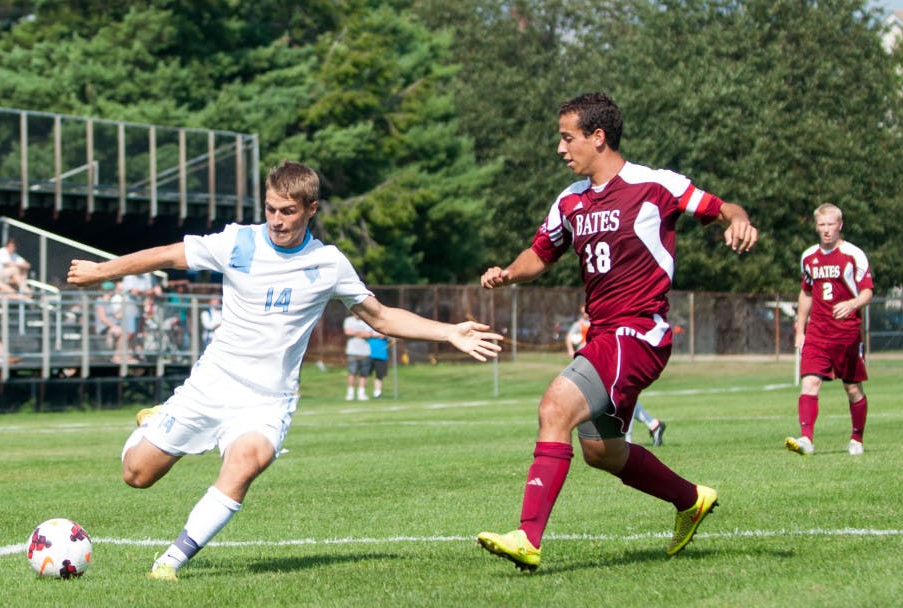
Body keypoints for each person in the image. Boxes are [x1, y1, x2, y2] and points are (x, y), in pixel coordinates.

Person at [66, 159, 502, 581]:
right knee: (137, 475)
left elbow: (381, 317)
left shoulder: (328, 263)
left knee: (248, 460)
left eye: (288, 211)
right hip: (212, 384)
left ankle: (170, 561)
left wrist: (449, 333)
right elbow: (167, 255)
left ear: (311, 210)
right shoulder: (237, 242)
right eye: (271, 208)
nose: (276, 219)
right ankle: (157, 422)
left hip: (267, 400)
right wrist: (102, 271)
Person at [476, 93, 757, 572]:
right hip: (603, 335)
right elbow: (541, 255)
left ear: (597, 137)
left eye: (568, 138)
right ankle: (690, 499)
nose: (561, 149)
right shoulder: (569, 201)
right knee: (601, 451)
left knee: (553, 407)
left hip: (639, 331)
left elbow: (722, 207)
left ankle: (527, 536)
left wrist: (740, 220)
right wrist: (508, 272)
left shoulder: (655, 185)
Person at [785, 203, 873, 457]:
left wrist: (853, 303)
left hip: (846, 333)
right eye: (821, 225)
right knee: (810, 382)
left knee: (853, 389)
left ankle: (856, 438)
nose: (826, 230)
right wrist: (801, 329)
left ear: (840, 225)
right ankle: (806, 440)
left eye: (830, 224)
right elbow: (806, 293)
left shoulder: (853, 254)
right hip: (818, 332)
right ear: (816, 226)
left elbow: (868, 291)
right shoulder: (808, 257)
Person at [343, 313, 373, 401]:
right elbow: (347, 332)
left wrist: (355, 332)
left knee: (364, 373)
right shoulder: (348, 320)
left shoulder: (367, 321)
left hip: (365, 352)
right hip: (352, 351)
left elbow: (368, 334)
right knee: (352, 372)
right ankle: (350, 393)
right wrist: (361, 333)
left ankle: (361, 393)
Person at [367, 331, 390, 399]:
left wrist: (385, 335)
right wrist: (373, 335)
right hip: (367, 354)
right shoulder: (368, 325)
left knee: (379, 375)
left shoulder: (384, 326)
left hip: (381, 355)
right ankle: (361, 393)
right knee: (364, 374)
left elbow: (392, 337)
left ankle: (377, 393)